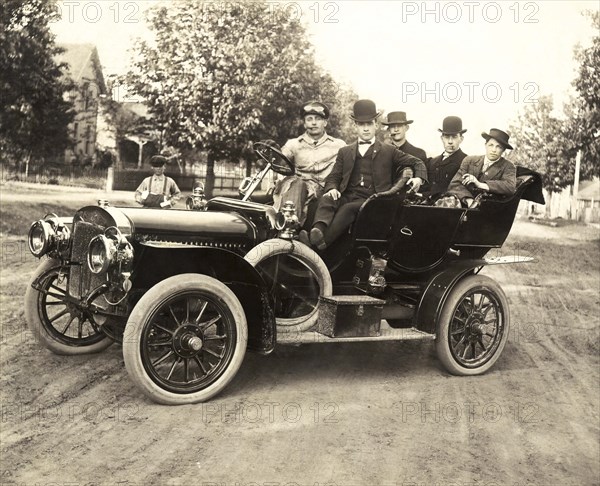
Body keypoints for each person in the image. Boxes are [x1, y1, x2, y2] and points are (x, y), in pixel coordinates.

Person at [306, 99, 427, 250]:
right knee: (327, 199)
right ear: (355, 126)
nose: (365, 129)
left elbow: (417, 162)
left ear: (376, 124)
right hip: (348, 194)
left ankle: (317, 246)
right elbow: (334, 176)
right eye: (361, 124)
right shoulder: (345, 151)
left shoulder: (389, 150)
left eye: (369, 123)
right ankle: (317, 231)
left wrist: (418, 178)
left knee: (347, 209)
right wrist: (332, 188)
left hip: (374, 200)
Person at [273, 101, 346, 227]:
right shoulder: (293, 144)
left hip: (325, 193)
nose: (313, 123)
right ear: (304, 123)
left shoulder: (339, 145)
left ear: (325, 122)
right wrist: (274, 153)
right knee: (296, 183)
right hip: (300, 191)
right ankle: (289, 227)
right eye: (309, 119)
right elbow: (279, 164)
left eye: (318, 119)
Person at [448, 128, 517, 208]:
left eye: (498, 147)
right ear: (485, 145)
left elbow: (510, 187)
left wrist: (480, 184)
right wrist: (468, 199)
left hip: (488, 211)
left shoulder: (508, 166)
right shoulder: (469, 160)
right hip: (463, 205)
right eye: (491, 145)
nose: (493, 150)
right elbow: (454, 184)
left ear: (503, 150)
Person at [426, 116, 468, 197]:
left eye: (454, 137)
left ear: (461, 139)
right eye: (447, 137)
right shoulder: (432, 162)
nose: (450, 141)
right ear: (442, 138)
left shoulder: (466, 161)